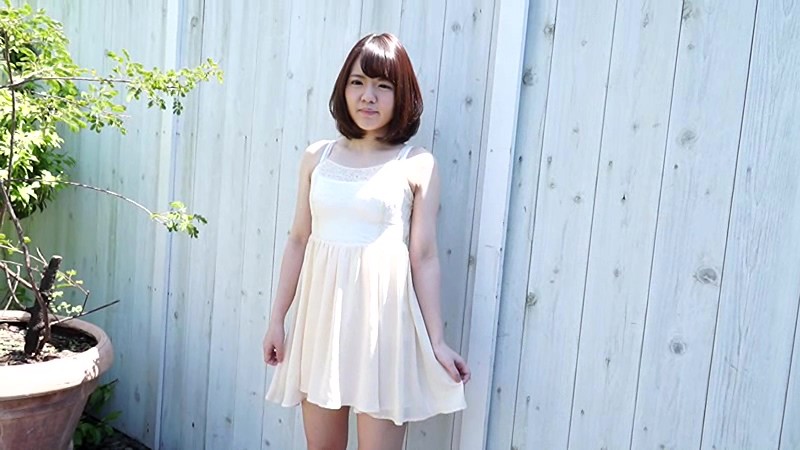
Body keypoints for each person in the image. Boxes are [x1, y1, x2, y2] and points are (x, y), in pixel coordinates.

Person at [263, 32, 470, 450]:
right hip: (322, 325)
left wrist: (437, 340)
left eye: (383, 85)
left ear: (401, 94)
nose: (368, 96)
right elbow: (298, 240)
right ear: (344, 89)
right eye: (357, 82)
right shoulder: (317, 157)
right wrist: (277, 320)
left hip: (384, 331)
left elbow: (424, 256)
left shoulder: (416, 164)